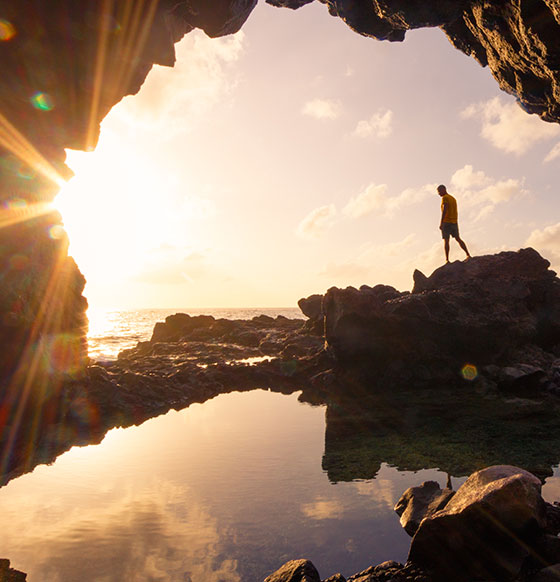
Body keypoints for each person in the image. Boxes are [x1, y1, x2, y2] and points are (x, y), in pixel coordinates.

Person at [437, 184, 471, 263]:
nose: (438, 193)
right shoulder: (453, 198)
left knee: (446, 241)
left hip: (446, 222)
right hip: (454, 222)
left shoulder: (445, 198)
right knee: (458, 239)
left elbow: (445, 210)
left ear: (443, 190)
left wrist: (441, 222)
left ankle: (447, 259)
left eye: (439, 191)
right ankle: (468, 254)